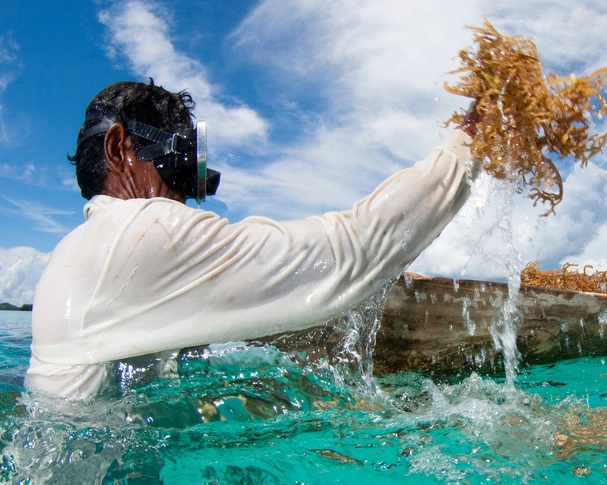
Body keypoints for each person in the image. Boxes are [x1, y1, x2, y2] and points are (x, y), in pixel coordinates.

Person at [26, 80, 481, 400]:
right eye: (178, 163)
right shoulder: (141, 233)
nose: (186, 192)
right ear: (118, 149)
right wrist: (472, 138)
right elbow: (355, 250)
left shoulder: (77, 253)